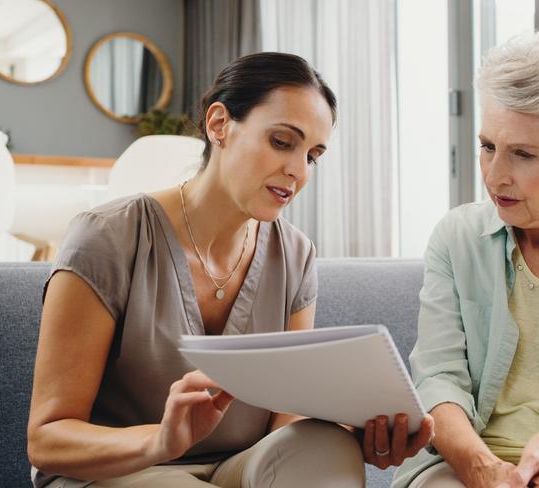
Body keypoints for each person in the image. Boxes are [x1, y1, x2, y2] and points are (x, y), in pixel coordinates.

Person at [27, 52, 433, 488]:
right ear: (219, 124)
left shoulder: (295, 254)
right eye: (281, 142)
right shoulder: (109, 236)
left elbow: (286, 424)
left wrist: (348, 431)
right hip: (122, 470)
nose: (297, 171)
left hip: (238, 471)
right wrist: (160, 442)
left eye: (312, 156)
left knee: (324, 449)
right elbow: (48, 439)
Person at [392, 31, 539, 488]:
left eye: (523, 154)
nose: (496, 175)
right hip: (463, 461)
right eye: (488, 146)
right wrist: (482, 469)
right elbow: (438, 379)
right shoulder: (457, 237)